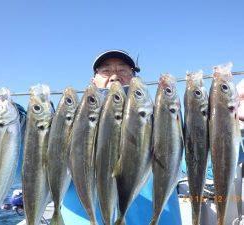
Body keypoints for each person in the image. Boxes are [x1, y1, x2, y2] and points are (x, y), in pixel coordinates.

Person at [61, 50, 182, 225]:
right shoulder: (72, 122)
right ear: (93, 80)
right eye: (106, 71)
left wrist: (235, 127)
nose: (114, 76)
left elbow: (203, 162)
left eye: (123, 70)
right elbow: (27, 167)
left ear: (134, 77)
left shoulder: (160, 117)